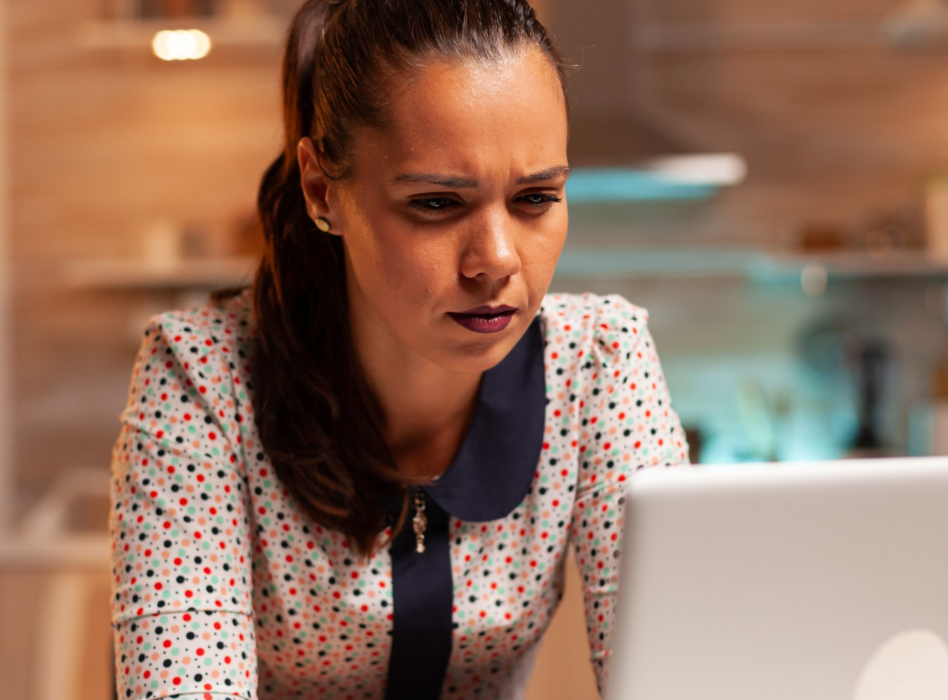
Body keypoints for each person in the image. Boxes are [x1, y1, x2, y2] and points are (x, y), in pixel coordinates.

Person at [107, 0, 690, 698]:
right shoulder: (204, 375)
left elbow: (678, 675)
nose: (497, 261)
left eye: (535, 198)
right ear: (323, 190)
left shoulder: (598, 361)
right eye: (437, 204)